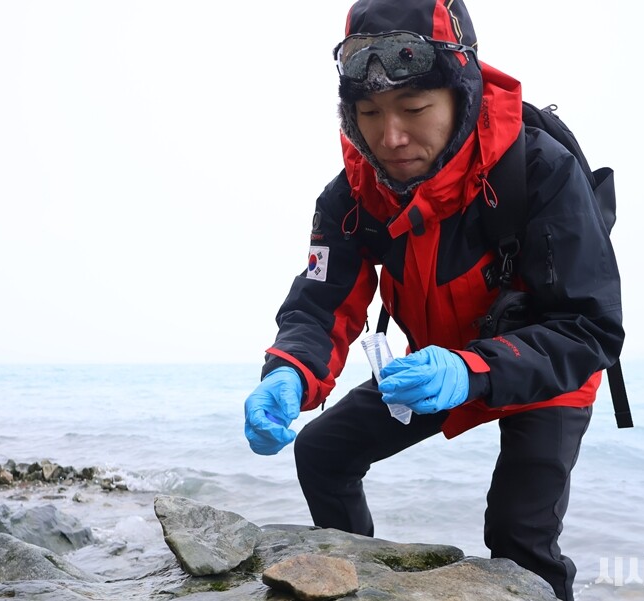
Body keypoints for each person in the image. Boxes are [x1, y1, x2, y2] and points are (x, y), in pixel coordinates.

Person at [242, 0, 623, 599]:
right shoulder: (353, 197)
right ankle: (349, 586)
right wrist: (289, 371)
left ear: (462, 92)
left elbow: (589, 328)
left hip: (542, 369)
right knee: (322, 453)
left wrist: (472, 369)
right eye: (368, 112)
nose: (391, 137)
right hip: (437, 366)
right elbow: (321, 304)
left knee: (519, 537)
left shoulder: (540, 170)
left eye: (415, 109)